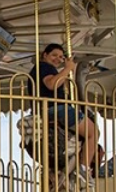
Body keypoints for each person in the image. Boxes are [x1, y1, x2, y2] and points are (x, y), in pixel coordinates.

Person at [29, 42, 98, 171]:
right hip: (57, 109)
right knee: (93, 132)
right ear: (45, 55)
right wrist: (68, 68)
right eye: (54, 55)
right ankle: (84, 169)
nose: (58, 59)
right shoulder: (44, 67)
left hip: (44, 110)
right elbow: (51, 84)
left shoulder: (41, 70)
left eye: (61, 57)